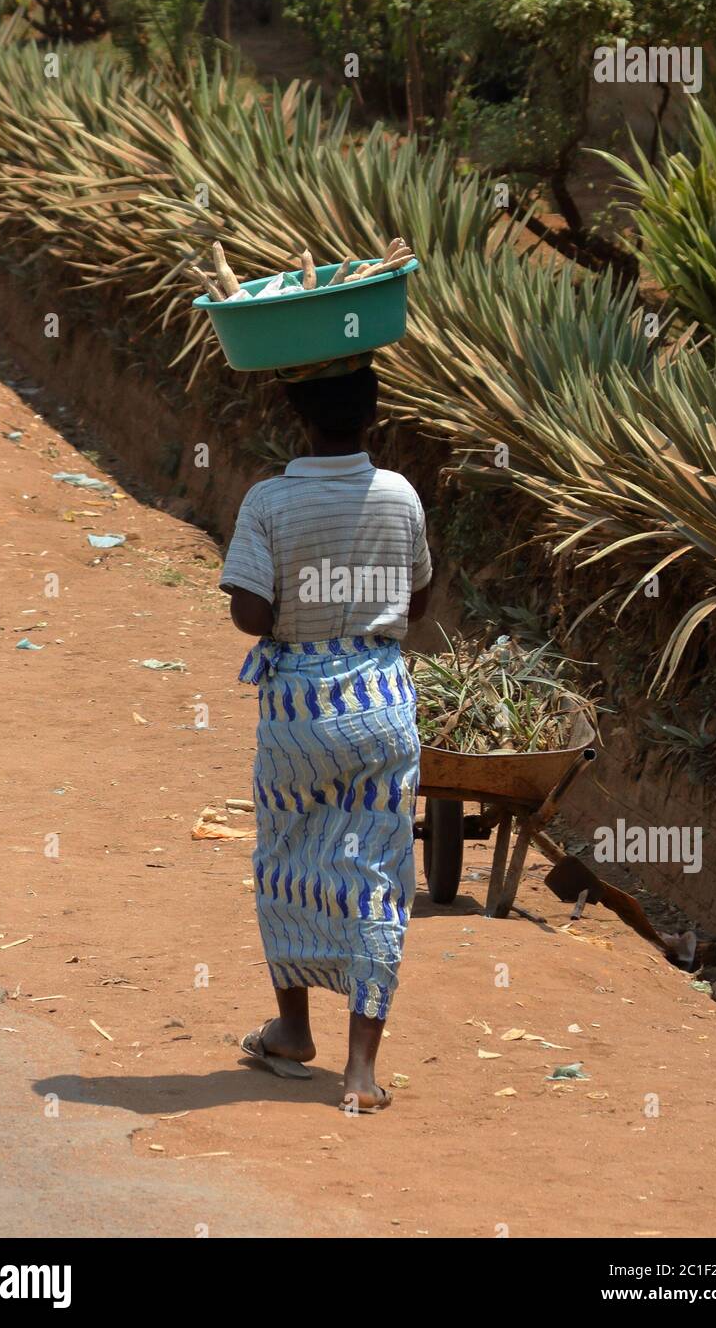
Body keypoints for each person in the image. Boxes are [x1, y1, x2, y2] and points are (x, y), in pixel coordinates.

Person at [220, 353, 431, 1112]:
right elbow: (419, 596)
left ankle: (290, 1027)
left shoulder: (270, 501)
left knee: (285, 860)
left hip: (299, 713)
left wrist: (295, 615)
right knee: (376, 877)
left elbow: (249, 614)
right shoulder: (401, 495)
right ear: (373, 414)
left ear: (297, 417)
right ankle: (360, 1073)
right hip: (381, 702)